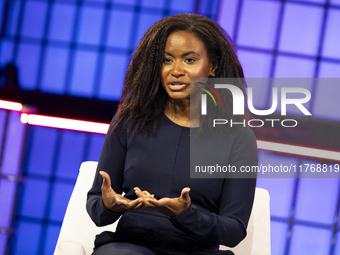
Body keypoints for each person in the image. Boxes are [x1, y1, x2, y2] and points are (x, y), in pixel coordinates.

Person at [86, 13, 258, 255]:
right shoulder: (129, 120)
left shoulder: (238, 136)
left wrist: (186, 215)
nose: (176, 70)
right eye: (167, 60)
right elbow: (96, 207)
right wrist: (109, 204)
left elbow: (234, 229)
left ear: (214, 66)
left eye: (189, 60)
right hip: (131, 246)